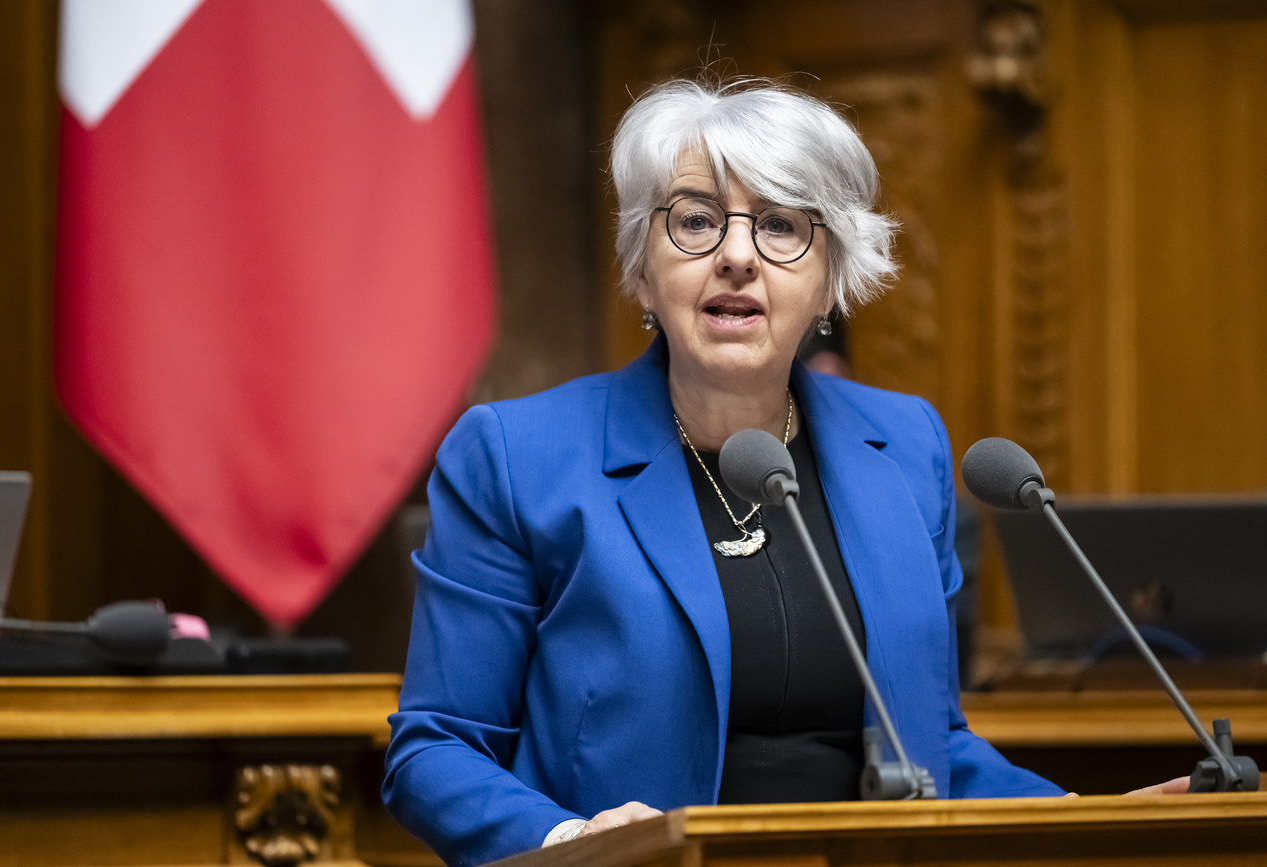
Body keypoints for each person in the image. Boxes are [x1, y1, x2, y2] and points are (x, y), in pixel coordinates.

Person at [382, 77, 1165, 867]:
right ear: (642, 271)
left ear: (829, 279)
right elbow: (434, 748)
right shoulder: (519, 455)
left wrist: (1075, 817)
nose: (736, 256)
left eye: (782, 225)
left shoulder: (904, 445)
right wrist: (572, 842)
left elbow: (931, 751)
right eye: (695, 221)